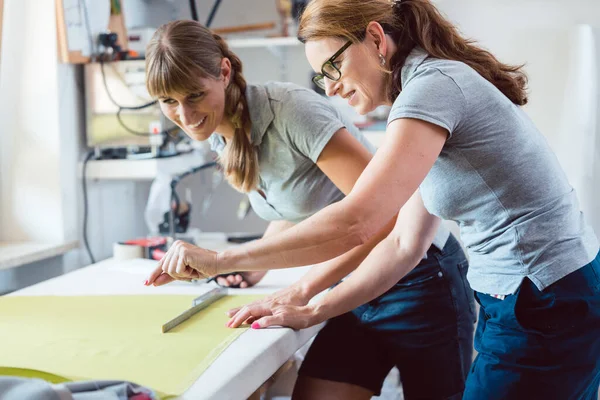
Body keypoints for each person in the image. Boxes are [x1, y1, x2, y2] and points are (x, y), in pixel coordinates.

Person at [147, 0, 600, 398]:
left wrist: (221, 259)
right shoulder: (420, 98)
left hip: (544, 296)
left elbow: (360, 220)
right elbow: (405, 242)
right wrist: (309, 305)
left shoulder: (432, 87)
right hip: (527, 296)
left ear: (376, 39)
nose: (329, 87)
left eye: (332, 68)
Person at [143, 19, 475, 399]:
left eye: (194, 96)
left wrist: (299, 290)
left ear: (223, 71)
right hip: (352, 287)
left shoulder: (291, 111)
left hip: (418, 277)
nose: (184, 115)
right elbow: (299, 203)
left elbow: (382, 218)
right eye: (169, 101)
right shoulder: (222, 132)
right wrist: (257, 268)